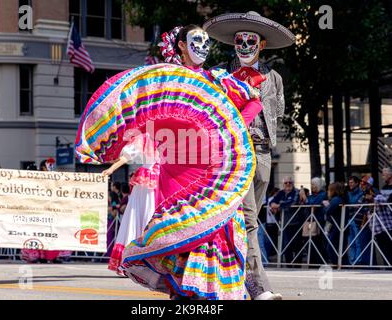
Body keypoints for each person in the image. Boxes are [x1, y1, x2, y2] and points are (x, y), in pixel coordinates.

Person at [75, 33, 254, 299]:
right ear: (181, 45)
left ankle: (208, 293)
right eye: (196, 41)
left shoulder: (216, 80)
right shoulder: (164, 81)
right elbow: (141, 117)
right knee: (180, 232)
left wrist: (231, 129)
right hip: (175, 171)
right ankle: (182, 292)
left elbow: (254, 101)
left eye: (207, 42)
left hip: (214, 170)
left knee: (215, 229)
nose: (203, 48)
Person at [204, 10, 295, 300]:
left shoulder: (274, 78)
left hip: (263, 154)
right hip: (233, 154)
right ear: (233, 43)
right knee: (247, 218)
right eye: (239, 40)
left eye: (250, 40)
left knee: (247, 218)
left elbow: (278, 113)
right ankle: (259, 287)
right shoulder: (221, 75)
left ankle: (226, 279)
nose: (244, 45)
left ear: (262, 44)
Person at [106, 134, 160, 276]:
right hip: (147, 183)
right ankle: (135, 259)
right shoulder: (145, 136)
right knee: (143, 216)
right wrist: (111, 169)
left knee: (154, 218)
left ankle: (152, 260)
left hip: (162, 181)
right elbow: (127, 156)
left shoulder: (171, 134)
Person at [21, 158, 63, 264]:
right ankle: (38, 255)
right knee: (38, 233)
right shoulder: (37, 179)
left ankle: (53, 256)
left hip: (52, 210)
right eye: (49, 166)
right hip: (38, 210)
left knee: (52, 233)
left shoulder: (56, 179)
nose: (51, 168)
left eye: (53, 166)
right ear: (43, 168)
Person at [270, 177, 302, 266]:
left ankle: (297, 265)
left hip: (296, 222)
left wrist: (279, 205)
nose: (288, 184)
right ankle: (289, 264)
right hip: (284, 223)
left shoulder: (296, 192)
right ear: (283, 184)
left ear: (293, 183)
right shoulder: (281, 192)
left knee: (297, 244)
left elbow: (293, 202)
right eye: (286, 183)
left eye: (290, 182)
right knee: (286, 245)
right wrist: (273, 204)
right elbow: (272, 201)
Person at [299, 177, 328, 265]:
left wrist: (305, 198)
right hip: (309, 221)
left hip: (318, 221)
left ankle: (319, 261)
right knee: (309, 241)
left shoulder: (323, 194)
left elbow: (313, 204)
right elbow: (306, 204)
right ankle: (312, 261)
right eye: (311, 184)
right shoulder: (311, 195)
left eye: (314, 185)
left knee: (318, 241)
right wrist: (302, 198)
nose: (312, 186)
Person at [323, 182, 347, 265]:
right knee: (339, 246)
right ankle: (341, 263)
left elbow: (328, 210)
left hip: (337, 226)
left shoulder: (336, 199)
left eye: (329, 190)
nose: (328, 192)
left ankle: (337, 263)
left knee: (331, 247)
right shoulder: (339, 198)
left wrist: (326, 206)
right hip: (338, 225)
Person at [346, 176, 364, 265]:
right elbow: (351, 205)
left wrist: (351, 206)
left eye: (352, 182)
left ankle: (358, 261)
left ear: (357, 183)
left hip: (357, 219)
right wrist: (352, 206)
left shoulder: (361, 193)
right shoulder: (348, 193)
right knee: (351, 241)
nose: (350, 184)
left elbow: (358, 205)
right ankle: (352, 261)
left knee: (357, 241)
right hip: (349, 218)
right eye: (349, 182)